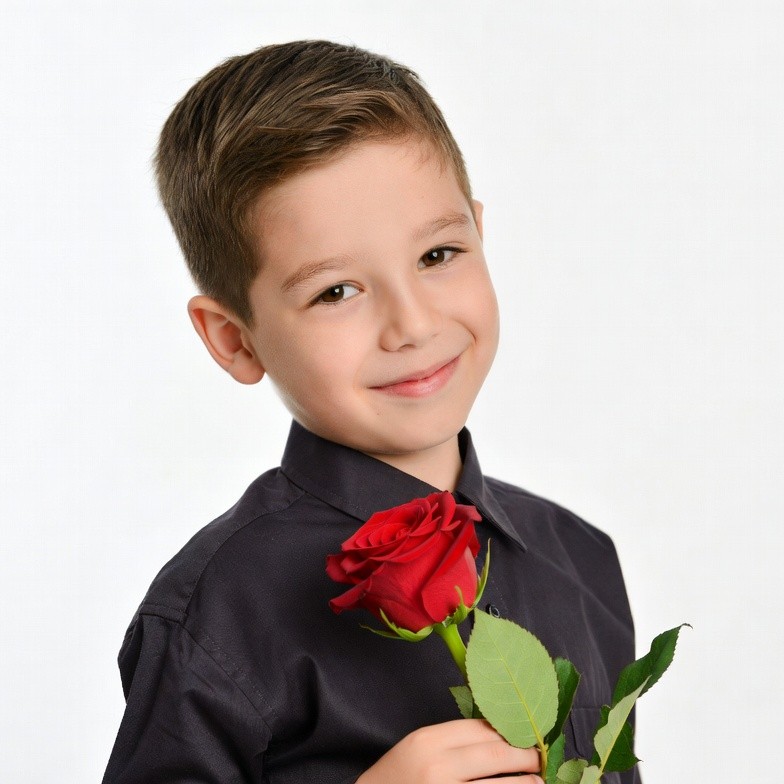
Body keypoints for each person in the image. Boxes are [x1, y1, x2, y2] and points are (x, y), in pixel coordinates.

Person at [102, 40, 637, 784]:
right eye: (336, 292)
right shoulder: (218, 609)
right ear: (234, 339)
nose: (412, 325)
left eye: (438, 255)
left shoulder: (580, 558)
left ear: (480, 233)